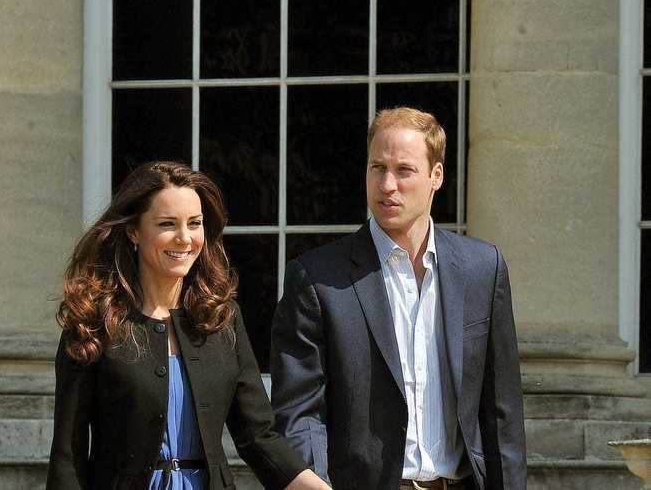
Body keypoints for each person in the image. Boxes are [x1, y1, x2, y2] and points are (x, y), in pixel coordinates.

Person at [270, 108, 526, 490]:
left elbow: (501, 413)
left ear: (435, 176)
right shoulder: (318, 278)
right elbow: (300, 412)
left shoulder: (481, 269)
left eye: (404, 170)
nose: (387, 185)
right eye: (377, 168)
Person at [47, 161, 331, 490]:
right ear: (134, 231)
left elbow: (258, 437)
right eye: (168, 224)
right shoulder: (93, 321)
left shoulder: (222, 319)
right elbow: (68, 454)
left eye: (194, 224)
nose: (185, 239)